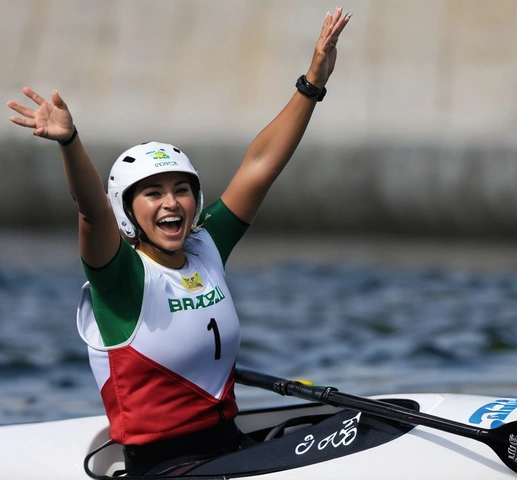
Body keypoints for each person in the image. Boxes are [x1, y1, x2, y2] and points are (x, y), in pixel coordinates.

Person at [7, 8, 350, 475]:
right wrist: (71, 142)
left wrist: (312, 82)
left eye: (181, 189)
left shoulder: (206, 245)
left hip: (228, 447)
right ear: (128, 211)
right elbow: (90, 210)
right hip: (164, 467)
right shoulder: (119, 277)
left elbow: (260, 166)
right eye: (152, 193)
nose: (171, 202)